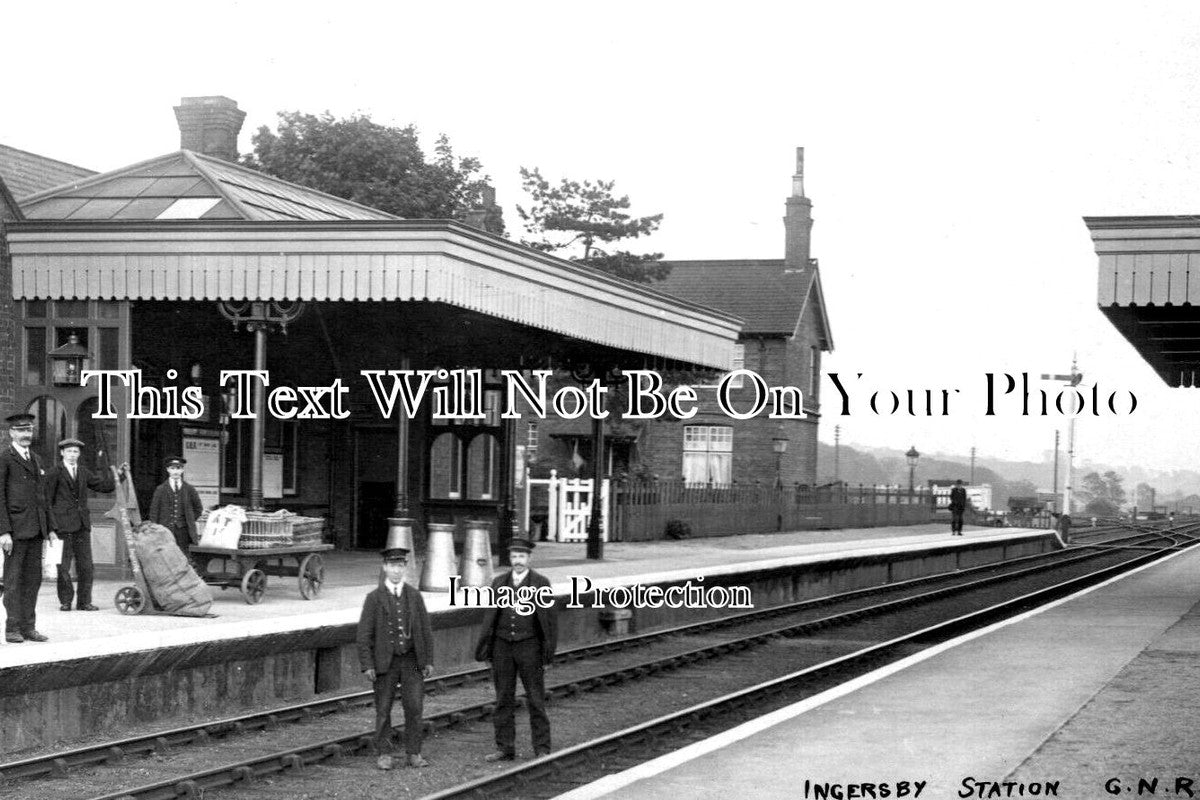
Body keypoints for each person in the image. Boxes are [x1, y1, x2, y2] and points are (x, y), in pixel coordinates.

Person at [475, 537, 558, 761]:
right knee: (503, 698)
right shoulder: (499, 582)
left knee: (535, 698)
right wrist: (487, 649)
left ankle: (542, 748)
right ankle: (505, 748)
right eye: (514, 556)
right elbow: (491, 617)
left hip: (529, 647)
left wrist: (548, 654)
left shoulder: (541, 583)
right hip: (502, 647)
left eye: (521, 556)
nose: (517, 561)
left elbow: (550, 622)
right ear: (510, 559)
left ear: (529, 558)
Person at [357, 545, 434, 770]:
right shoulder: (373, 598)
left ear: (405, 567)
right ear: (384, 567)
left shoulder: (414, 595)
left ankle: (414, 753)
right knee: (383, 710)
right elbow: (364, 634)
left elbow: (425, 630)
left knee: (414, 707)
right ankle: (384, 753)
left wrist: (428, 660)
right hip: (384, 663)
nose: (396, 571)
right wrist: (367, 664)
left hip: (411, 661)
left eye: (400, 566)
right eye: (392, 566)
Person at [0, 413, 57, 643]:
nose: (27, 435)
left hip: (36, 531)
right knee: (13, 583)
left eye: (30, 430)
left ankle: (28, 627)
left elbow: (42, 497)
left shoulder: (36, 458)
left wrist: (50, 528)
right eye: (22, 430)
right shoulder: (4, 458)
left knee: (33, 581)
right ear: (12, 432)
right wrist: (3, 531)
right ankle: (12, 628)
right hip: (14, 532)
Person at [47, 438, 116, 611]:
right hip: (61, 527)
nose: (72, 455)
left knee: (86, 566)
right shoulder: (54, 472)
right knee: (62, 566)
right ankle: (66, 601)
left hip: (82, 526)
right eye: (69, 451)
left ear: (79, 454)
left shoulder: (84, 472)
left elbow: (104, 486)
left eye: (76, 452)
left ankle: (84, 601)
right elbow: (46, 502)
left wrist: (119, 475)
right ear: (62, 453)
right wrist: (50, 528)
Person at [148, 456, 203, 557]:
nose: (175, 471)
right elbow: (154, 512)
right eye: (172, 468)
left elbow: (198, 508)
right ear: (168, 470)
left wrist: (188, 520)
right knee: (166, 556)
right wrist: (155, 530)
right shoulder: (161, 489)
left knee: (183, 556)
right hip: (165, 530)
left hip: (183, 532)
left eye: (178, 468)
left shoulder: (189, 489)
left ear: (182, 470)